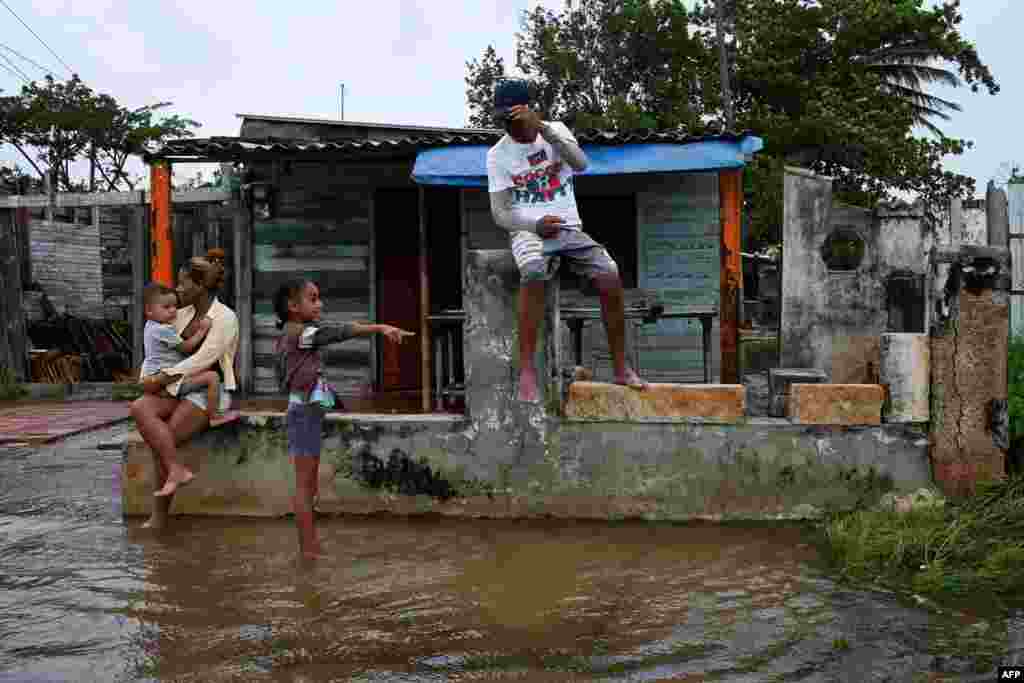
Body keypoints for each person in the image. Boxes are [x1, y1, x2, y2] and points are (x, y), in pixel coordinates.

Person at [486, 78, 648, 403]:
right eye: (504, 120)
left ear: (529, 111)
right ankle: (528, 370)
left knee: (610, 273)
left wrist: (544, 130)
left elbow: (581, 164)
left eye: (514, 118)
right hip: (530, 230)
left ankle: (620, 366)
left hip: (569, 228)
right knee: (532, 271)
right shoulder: (497, 155)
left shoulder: (555, 131)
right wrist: (535, 224)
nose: (510, 127)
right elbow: (501, 214)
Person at [274, 278, 414, 560]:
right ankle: (309, 552)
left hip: (306, 414)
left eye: (319, 297)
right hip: (302, 416)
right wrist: (380, 327)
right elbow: (338, 332)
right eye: (312, 299)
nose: (320, 304)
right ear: (292, 306)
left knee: (309, 486)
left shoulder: (295, 334)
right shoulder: (300, 334)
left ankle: (310, 548)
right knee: (304, 487)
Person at [130, 257, 239, 522]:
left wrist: (160, 380)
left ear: (200, 286)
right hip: (177, 386)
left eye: (182, 284)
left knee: (163, 439)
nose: (177, 290)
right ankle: (174, 476)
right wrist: (150, 378)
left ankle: (159, 516)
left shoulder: (225, 318)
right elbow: (160, 351)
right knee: (139, 406)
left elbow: (201, 361)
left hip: (207, 390)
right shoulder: (180, 313)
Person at [140, 283, 226, 426]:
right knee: (212, 377)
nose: (173, 310)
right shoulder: (162, 330)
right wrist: (201, 331)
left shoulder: (150, 326)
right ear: (149, 311)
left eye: (175, 306)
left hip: (157, 377)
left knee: (203, 373)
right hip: (167, 379)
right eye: (166, 307)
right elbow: (186, 347)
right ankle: (214, 416)